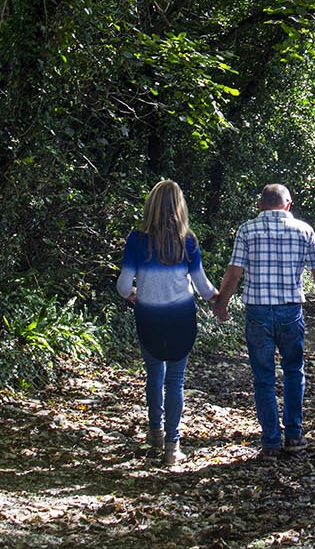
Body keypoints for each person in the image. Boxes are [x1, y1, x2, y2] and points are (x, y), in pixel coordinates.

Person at [212, 183, 315, 458]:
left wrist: (221, 304)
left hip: (257, 311)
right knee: (294, 371)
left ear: (260, 205)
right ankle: (293, 435)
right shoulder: (304, 230)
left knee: (263, 377)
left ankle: (270, 440)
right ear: (288, 204)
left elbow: (234, 273)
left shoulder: (247, 229)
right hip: (290, 311)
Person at [116, 179, 218, 466]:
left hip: (148, 316)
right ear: (179, 206)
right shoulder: (188, 241)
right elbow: (202, 286)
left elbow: (124, 286)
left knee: (154, 376)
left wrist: (134, 293)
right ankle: (173, 447)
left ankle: (155, 433)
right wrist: (217, 298)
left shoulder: (136, 240)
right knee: (176, 380)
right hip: (181, 318)